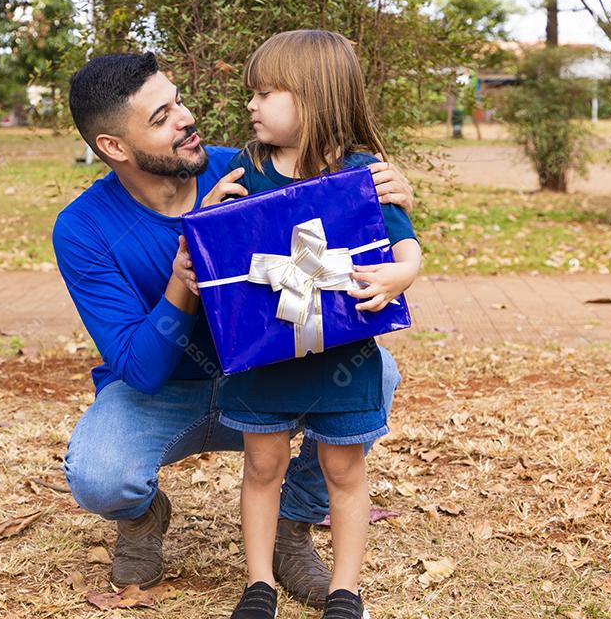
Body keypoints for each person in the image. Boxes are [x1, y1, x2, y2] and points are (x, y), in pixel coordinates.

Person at [52, 51, 415, 608]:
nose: (186, 119)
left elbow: (339, 201)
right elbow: (141, 370)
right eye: (160, 118)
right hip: (167, 393)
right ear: (114, 148)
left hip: (268, 376)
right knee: (100, 475)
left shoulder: (246, 170)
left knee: (375, 374)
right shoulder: (82, 229)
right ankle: (143, 519)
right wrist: (183, 278)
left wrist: (386, 196)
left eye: (178, 102)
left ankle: (293, 525)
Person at [175, 30, 421, 619]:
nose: (251, 106)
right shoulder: (247, 170)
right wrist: (207, 221)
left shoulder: (363, 175)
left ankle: (345, 589)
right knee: (262, 465)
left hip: (342, 360)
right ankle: (258, 584)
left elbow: (405, 247)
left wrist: (399, 276)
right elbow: (219, 252)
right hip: (266, 361)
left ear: (311, 98)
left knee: (344, 468)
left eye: (265, 93)